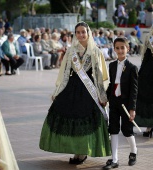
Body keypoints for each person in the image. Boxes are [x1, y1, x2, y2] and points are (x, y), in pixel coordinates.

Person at [39, 21, 111, 164]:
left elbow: (99, 76)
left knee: (85, 121)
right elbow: (65, 73)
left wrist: (102, 96)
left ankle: (83, 151)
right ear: (75, 34)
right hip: (72, 89)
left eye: (83, 32)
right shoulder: (71, 51)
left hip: (89, 91)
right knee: (70, 117)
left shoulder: (96, 51)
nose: (80, 35)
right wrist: (58, 91)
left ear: (88, 33)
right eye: (78, 32)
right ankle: (76, 151)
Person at [103, 37, 138, 170]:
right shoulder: (111, 65)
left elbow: (134, 90)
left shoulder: (132, 68)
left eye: (122, 47)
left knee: (127, 130)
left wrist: (132, 108)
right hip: (114, 101)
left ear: (127, 49)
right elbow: (111, 84)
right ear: (114, 49)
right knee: (113, 129)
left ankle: (134, 151)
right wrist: (105, 98)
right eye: (117, 48)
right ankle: (114, 159)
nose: (120, 50)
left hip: (126, 103)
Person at [135, 13, 153, 137]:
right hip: (150, 70)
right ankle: (149, 126)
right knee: (148, 97)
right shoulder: (149, 36)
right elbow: (146, 53)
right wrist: (141, 70)